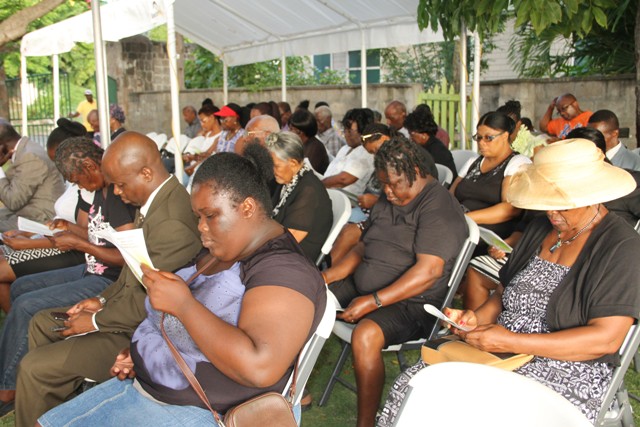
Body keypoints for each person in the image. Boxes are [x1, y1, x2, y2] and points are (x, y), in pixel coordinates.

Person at [35, 151, 327, 427]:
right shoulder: (225, 251)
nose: (200, 227)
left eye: (209, 215)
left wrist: (183, 305)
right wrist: (144, 351)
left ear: (247, 207)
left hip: (203, 411)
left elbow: (260, 367)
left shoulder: (285, 271)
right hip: (153, 390)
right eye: (198, 217)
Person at [378, 138, 640, 425]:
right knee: (416, 384)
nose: (551, 213)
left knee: (469, 408)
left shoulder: (621, 246)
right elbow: (504, 293)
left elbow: (606, 338)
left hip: (567, 366)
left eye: (561, 206)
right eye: (546, 204)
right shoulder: (541, 228)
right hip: (502, 349)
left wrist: (512, 340)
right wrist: (475, 319)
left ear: (591, 194)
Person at [14, 132, 203, 427]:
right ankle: (59, 408)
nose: (115, 192)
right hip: (127, 317)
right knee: (43, 322)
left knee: (34, 367)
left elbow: (153, 302)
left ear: (146, 173)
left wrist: (94, 320)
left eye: (120, 184)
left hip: (142, 335)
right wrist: (99, 299)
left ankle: (46, 393)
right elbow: (132, 274)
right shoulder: (156, 203)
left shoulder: (172, 222)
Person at [322, 137, 467, 427]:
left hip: (414, 303)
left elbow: (428, 272)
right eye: (383, 183)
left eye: (394, 183)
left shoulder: (437, 205)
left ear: (415, 169)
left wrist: (373, 301)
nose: (387, 191)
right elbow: (365, 246)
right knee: (307, 296)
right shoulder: (391, 198)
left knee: (364, 336)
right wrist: (329, 275)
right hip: (368, 285)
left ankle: (365, 424)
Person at [0, 136, 137, 416]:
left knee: (27, 305)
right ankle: (20, 366)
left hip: (107, 279)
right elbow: (97, 235)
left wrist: (79, 244)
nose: (77, 185)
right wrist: (68, 229)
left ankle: (9, 388)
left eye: (76, 179)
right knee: (22, 287)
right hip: (90, 265)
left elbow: (125, 257)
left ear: (89, 166)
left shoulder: (117, 195)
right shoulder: (101, 189)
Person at [0, 119, 90, 314]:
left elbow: (80, 238)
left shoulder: (86, 188)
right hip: (50, 238)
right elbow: (61, 225)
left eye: (57, 160)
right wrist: (27, 234)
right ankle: (12, 325)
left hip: (69, 252)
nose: (55, 166)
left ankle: (16, 326)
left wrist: (29, 242)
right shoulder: (74, 184)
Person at [450, 112, 531, 247]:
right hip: (459, 222)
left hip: (488, 232)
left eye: (489, 138)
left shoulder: (517, 163)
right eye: (479, 137)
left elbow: (510, 209)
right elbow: (450, 195)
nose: (481, 143)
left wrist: (467, 219)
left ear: (505, 136)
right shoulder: (473, 162)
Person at [265, 131, 332, 261]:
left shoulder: (309, 190)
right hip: (276, 246)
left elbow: (291, 239)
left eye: (276, 166)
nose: (272, 170)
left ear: (293, 163)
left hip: (294, 257)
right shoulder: (284, 180)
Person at [0, 119, 65, 232]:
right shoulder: (25, 150)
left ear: (2, 145)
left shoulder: (30, 157)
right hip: (27, 212)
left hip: (42, 221)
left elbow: (13, 201)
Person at [322, 108, 375, 196]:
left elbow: (344, 180)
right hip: (328, 194)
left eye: (350, 131)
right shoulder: (345, 148)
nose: (346, 134)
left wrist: (318, 184)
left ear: (363, 131)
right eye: (345, 130)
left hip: (347, 202)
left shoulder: (366, 152)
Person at [404, 108, 457, 178]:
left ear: (424, 135)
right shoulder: (428, 146)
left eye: (412, 134)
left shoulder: (436, 152)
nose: (410, 138)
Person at [289, 109, 330, 174]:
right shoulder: (299, 145)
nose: (289, 132)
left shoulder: (315, 147)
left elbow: (303, 172)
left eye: (291, 129)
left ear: (300, 132)